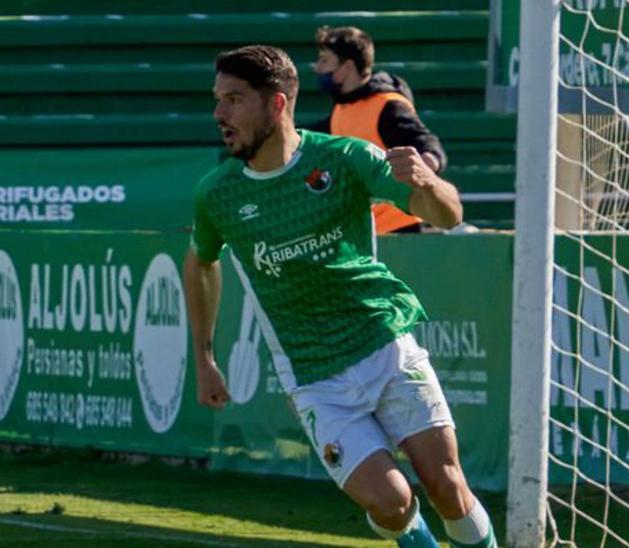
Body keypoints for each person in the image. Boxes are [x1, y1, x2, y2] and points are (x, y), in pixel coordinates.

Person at [183, 45, 495, 547]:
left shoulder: (343, 158)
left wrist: (428, 182)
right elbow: (201, 260)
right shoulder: (217, 193)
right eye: (218, 100)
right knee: (392, 505)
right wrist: (204, 356)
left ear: (277, 104)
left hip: (385, 347)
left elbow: (448, 216)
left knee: (447, 487)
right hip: (314, 376)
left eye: (234, 99)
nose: (220, 114)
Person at [306, 26, 449, 235]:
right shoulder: (341, 109)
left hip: (401, 230)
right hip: (366, 230)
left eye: (325, 61)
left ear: (346, 67)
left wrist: (427, 170)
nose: (318, 68)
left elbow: (428, 145)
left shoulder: (387, 106)